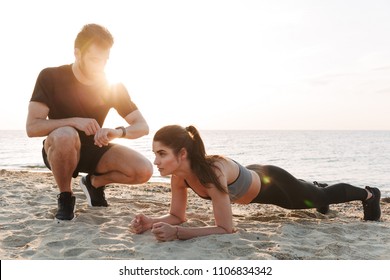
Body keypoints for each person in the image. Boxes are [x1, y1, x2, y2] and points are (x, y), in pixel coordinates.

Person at [130, 125, 381, 241]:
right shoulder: (179, 177)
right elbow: (176, 214)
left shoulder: (213, 172)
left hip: (272, 185)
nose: (156, 161)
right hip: (253, 176)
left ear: (182, 153)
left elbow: (226, 229)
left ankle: (369, 194)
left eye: (161, 154)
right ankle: (315, 187)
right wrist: (152, 221)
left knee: (317, 198)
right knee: (312, 193)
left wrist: (179, 233)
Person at [26, 24, 153, 221]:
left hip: (94, 148)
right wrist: (74, 122)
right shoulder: (50, 76)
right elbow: (32, 127)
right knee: (66, 133)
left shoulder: (111, 85)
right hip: (59, 148)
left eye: (105, 60)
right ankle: (66, 197)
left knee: (144, 170)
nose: (100, 66)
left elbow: (142, 126)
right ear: (78, 53)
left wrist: (117, 132)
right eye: (95, 59)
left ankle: (94, 183)